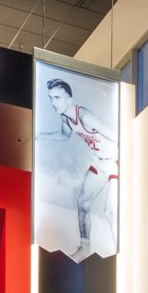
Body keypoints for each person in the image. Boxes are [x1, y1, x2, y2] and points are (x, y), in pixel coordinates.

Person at [43, 77, 117, 254]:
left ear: (69, 99)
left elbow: (116, 136)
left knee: (110, 212)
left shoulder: (84, 116)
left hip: (116, 161)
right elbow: (63, 136)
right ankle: (84, 248)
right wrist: (38, 136)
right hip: (100, 162)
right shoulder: (66, 118)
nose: (53, 102)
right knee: (82, 202)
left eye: (57, 98)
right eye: (50, 98)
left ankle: (120, 254)